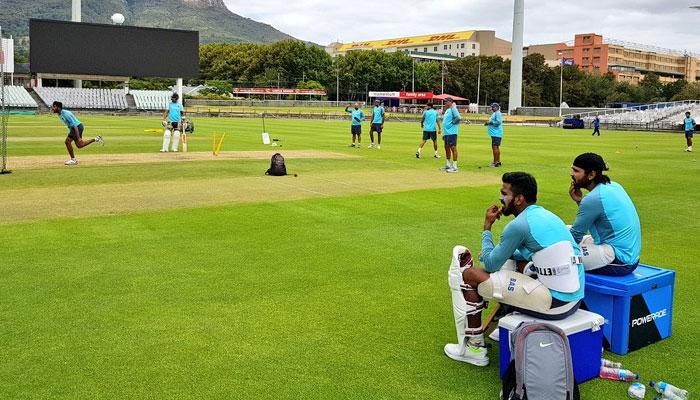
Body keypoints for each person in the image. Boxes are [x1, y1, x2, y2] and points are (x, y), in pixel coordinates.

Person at [445, 172, 585, 366]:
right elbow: (536, 252)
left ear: (519, 199)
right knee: (513, 262)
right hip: (575, 298)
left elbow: (490, 263)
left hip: (555, 305)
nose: (500, 198)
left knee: (468, 275)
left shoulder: (518, 225)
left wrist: (487, 227)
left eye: (504, 193)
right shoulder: (546, 215)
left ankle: (474, 348)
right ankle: (501, 323)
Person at [569, 153, 641, 276]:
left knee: (561, 258)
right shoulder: (614, 185)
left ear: (591, 174)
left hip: (621, 261)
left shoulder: (593, 198)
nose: (571, 173)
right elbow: (596, 216)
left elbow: (575, 236)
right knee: (562, 230)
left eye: (576, 171)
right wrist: (579, 201)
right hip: (625, 253)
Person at [52, 101, 104, 165]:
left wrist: (78, 137)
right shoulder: (59, 114)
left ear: (59, 108)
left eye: (54, 107)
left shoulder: (66, 114)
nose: (53, 108)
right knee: (80, 145)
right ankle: (96, 138)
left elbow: (75, 125)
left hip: (77, 127)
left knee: (67, 141)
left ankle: (73, 160)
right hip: (75, 128)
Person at [441, 97, 461, 173]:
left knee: (453, 148)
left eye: (446, 101)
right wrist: (444, 133)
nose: (444, 103)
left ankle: (455, 167)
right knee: (446, 148)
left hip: (452, 132)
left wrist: (452, 123)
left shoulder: (453, 108)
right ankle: (448, 165)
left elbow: (458, 118)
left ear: (450, 102)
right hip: (446, 133)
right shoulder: (448, 110)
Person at [483, 102, 503, 167]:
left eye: (492, 107)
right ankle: (498, 161)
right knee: (496, 147)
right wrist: (488, 123)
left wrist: (490, 122)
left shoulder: (497, 113)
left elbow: (498, 122)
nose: (491, 108)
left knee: (495, 147)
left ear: (495, 107)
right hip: (495, 133)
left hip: (496, 133)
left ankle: (495, 162)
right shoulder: (495, 113)